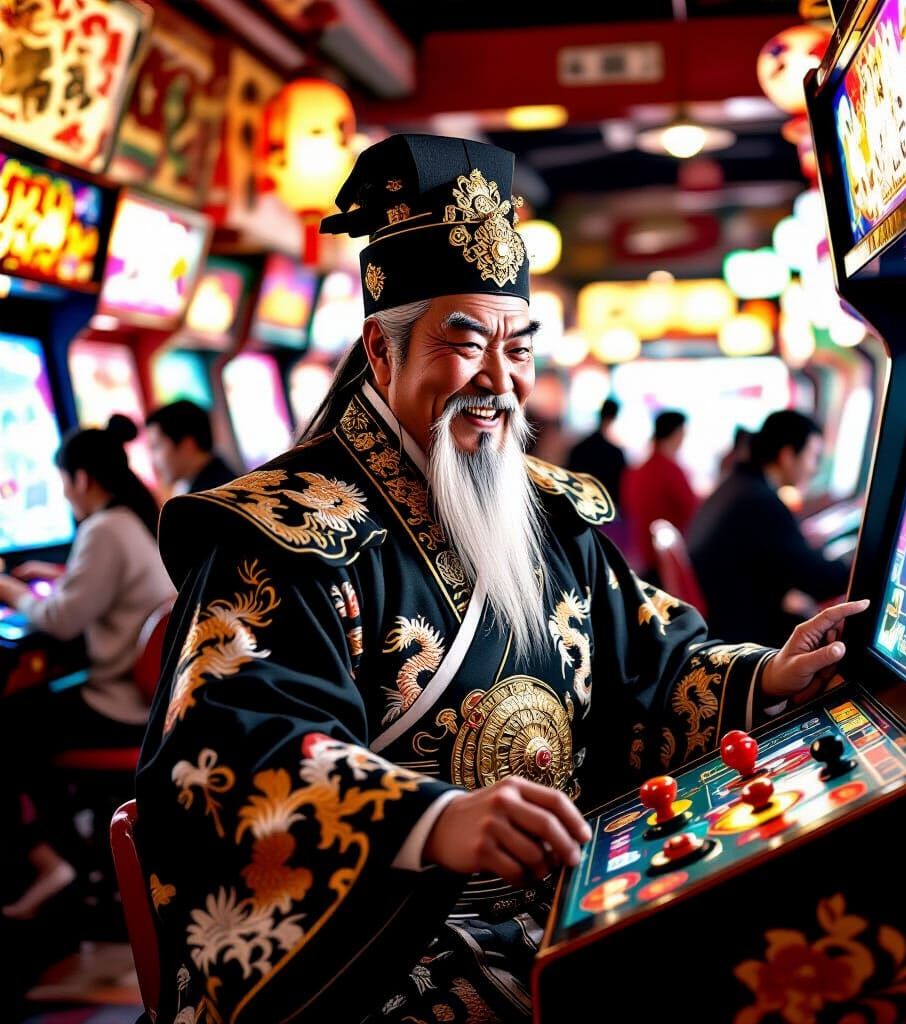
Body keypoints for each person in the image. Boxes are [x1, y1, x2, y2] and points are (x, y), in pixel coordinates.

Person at [135, 135, 867, 1024]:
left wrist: (767, 673)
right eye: (466, 340)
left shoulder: (550, 512)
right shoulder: (280, 538)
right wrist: (436, 823)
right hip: (387, 955)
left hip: (562, 900)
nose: (499, 380)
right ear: (380, 352)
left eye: (518, 346)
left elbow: (653, 664)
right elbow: (228, 757)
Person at [0, 415, 175, 919]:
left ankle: (54, 861)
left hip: (120, 705)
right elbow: (96, 588)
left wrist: (9, 589)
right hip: (146, 702)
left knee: (13, 726)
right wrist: (60, 574)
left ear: (79, 478)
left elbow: (61, 617)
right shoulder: (131, 519)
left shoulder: (104, 528)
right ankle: (73, 861)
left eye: (62, 483)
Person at [689, 410, 852, 647]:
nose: (815, 468)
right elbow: (817, 581)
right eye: (813, 457)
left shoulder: (739, 485)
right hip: (738, 634)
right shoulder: (759, 501)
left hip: (723, 617)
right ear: (787, 455)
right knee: (834, 639)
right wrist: (859, 565)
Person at [622, 409, 701, 581]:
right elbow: (693, 510)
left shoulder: (635, 471)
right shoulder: (671, 471)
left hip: (641, 556)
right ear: (677, 434)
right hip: (667, 562)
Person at [145, 400, 237, 495]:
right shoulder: (220, 480)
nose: (153, 460)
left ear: (187, 445)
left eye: (156, 447)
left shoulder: (209, 497)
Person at [568, 398, 627, 506]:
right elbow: (620, 490)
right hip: (605, 511)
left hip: (580, 508)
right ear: (614, 418)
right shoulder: (615, 453)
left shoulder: (580, 448)